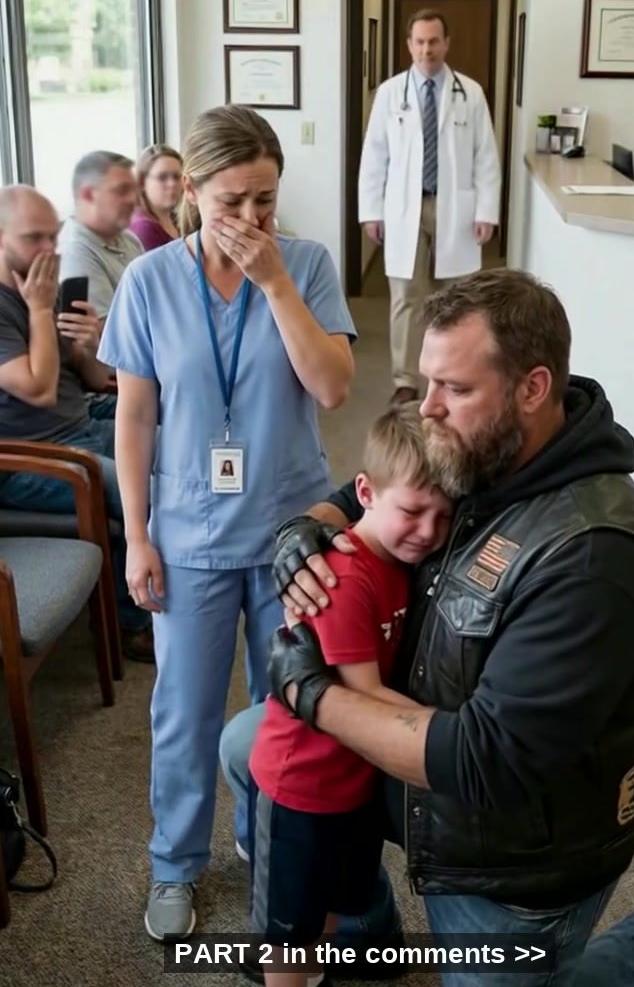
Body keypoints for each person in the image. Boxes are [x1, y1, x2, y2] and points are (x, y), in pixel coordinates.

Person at [221, 267, 634, 987]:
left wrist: (315, 697)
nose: (428, 410)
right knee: (249, 746)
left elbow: (484, 762)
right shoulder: (483, 443)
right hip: (420, 751)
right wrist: (309, 529)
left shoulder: (593, 561)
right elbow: (366, 491)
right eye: (427, 383)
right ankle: (366, 926)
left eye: (453, 389)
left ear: (532, 388)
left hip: (515, 850)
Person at [97, 103, 356, 943]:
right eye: (232, 201)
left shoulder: (307, 265)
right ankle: (175, 863)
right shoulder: (150, 280)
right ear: (192, 192)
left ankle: (261, 840)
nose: (250, 220)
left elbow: (332, 387)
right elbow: (134, 420)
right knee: (185, 711)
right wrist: (136, 535)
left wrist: (275, 281)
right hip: (188, 534)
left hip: (291, 531)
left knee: (286, 713)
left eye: (266, 200)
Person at [248, 406, 452, 987]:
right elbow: (363, 695)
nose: (429, 532)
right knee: (289, 938)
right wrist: (463, 733)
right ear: (364, 491)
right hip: (301, 787)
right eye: (413, 511)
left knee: (334, 904)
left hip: (356, 783)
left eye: (443, 516)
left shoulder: (399, 559)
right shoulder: (342, 578)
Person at [0, 186, 153, 663]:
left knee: (175, 449)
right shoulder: (21, 301)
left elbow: (90, 378)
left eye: (54, 237)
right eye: (33, 239)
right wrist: (42, 310)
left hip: (82, 422)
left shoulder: (51, 288)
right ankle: (136, 622)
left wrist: (88, 344)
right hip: (30, 459)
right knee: (137, 488)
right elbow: (39, 388)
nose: (49, 252)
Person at [358, 8, 500, 407]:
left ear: (446, 43)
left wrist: (487, 210)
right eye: (419, 42)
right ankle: (405, 378)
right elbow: (374, 156)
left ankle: (454, 371)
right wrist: (371, 211)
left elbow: (486, 156)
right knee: (406, 294)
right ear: (409, 45)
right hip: (405, 207)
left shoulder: (469, 93)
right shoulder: (390, 94)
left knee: (457, 295)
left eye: (434, 41)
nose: (426, 49)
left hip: (454, 206)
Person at [58, 150, 143, 322]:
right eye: (121, 191)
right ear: (88, 194)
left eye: (134, 190)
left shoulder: (128, 238)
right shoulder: (76, 251)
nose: (132, 200)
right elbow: (108, 330)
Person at [128, 144, 183, 251]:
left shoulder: (176, 220)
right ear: (142, 183)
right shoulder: (144, 228)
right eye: (162, 177)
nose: (172, 184)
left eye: (177, 177)